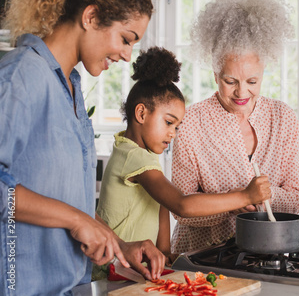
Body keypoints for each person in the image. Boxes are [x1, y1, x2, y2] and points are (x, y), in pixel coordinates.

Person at [0, 0, 164, 296]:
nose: (126, 54)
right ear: (90, 17)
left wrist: (119, 246)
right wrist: (78, 220)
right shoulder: (21, 76)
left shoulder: (72, 88)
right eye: (125, 38)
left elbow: (65, 199)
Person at [96, 47, 271, 263]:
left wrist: (164, 249)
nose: (173, 133)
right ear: (141, 113)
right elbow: (181, 205)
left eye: (177, 127)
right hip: (114, 267)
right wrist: (245, 196)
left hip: (134, 265)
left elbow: (161, 203)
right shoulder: (133, 156)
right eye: (169, 122)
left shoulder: (139, 153)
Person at [170, 0, 299, 253]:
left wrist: (262, 196)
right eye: (230, 81)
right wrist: (236, 201)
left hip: (268, 251)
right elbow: (182, 210)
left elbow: (296, 198)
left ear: (263, 72)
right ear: (214, 74)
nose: (242, 92)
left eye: (252, 82)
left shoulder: (283, 117)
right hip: (202, 256)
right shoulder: (190, 122)